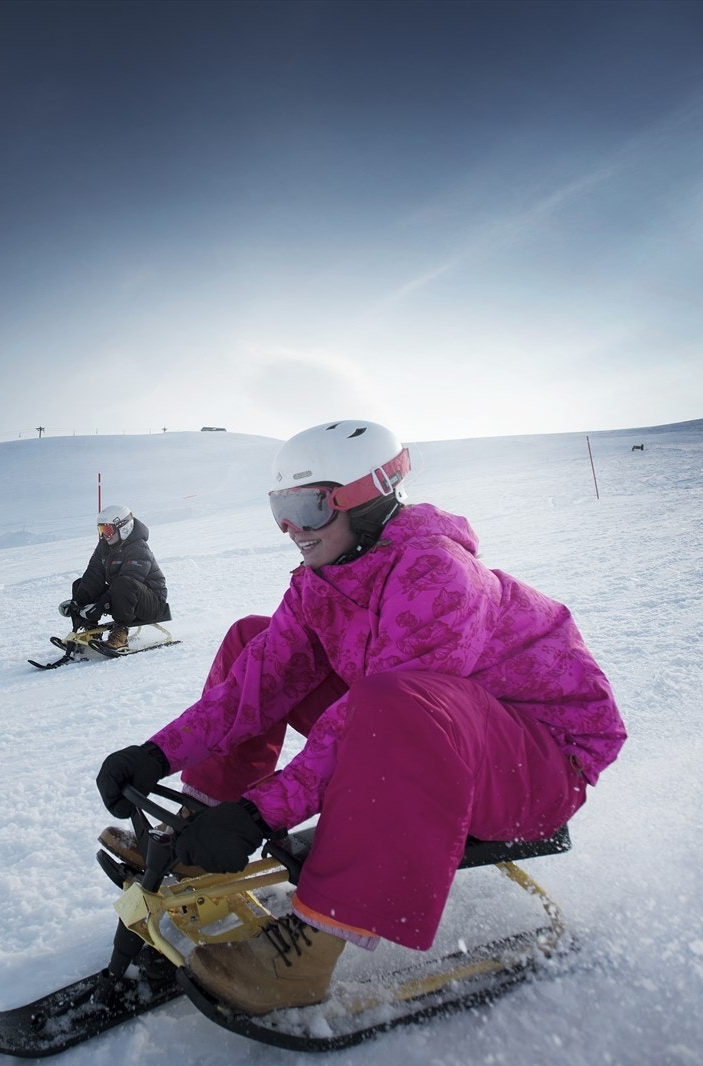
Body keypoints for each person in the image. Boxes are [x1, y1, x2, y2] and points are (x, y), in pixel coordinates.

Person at [95, 419, 626, 1014]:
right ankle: (200, 827)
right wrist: (159, 754)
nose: (290, 528)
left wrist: (261, 811)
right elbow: (262, 677)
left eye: (307, 506)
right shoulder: (324, 573)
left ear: (366, 500)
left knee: (391, 698)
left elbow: (373, 716)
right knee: (255, 639)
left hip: (537, 768)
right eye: (280, 508)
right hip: (443, 734)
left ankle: (308, 951)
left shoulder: (439, 576)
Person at [59, 504, 168, 650]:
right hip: (124, 598)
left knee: (124, 583)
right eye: (101, 530)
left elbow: (129, 580)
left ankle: (120, 633)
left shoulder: (139, 548)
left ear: (124, 527)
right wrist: (76, 603)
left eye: (108, 529)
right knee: (80, 584)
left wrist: (100, 605)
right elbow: (93, 574)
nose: (105, 535)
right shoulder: (104, 546)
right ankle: (91, 631)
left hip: (151, 604)